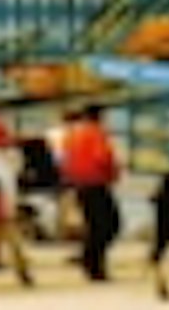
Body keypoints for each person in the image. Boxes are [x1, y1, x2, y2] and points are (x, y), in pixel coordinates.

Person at [61, 103, 122, 281]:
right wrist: (112, 172)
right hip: (97, 183)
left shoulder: (72, 134)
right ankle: (93, 261)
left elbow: (65, 159)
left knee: (94, 225)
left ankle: (91, 261)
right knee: (110, 225)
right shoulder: (97, 133)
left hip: (79, 184)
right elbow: (102, 156)